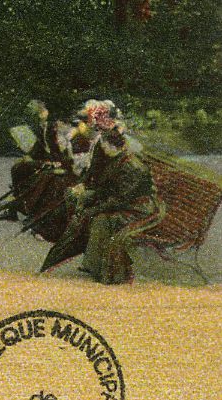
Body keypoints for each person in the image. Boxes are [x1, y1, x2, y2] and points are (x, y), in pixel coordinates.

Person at [57, 102, 165, 284]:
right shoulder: (115, 156)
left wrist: (95, 208)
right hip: (123, 199)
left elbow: (121, 197)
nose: (104, 150)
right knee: (91, 212)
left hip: (139, 207)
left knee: (101, 219)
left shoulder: (130, 164)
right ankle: (90, 261)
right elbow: (104, 180)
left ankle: (99, 266)